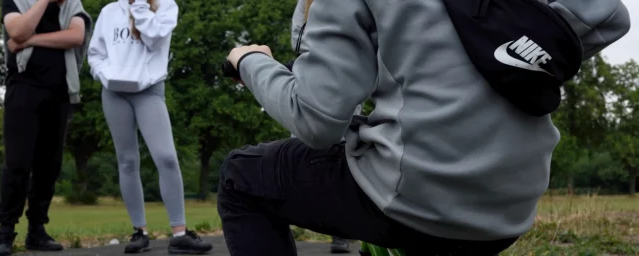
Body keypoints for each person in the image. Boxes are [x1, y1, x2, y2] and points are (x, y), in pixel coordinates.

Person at [218, 0, 631, 255]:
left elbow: (316, 121)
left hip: (421, 200)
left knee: (243, 176)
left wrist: (249, 60)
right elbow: (611, 15)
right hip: (512, 205)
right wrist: (524, 57)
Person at [87, 0, 213, 254]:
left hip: (149, 90)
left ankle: (179, 234)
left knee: (166, 158)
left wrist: (141, 8)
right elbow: (95, 53)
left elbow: (154, 37)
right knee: (127, 161)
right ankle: (139, 232)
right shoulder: (109, 11)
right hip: (114, 92)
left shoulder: (166, 6)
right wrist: (104, 74)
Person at [0, 0, 92, 255]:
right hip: (23, 88)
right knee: (17, 162)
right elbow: (16, 31)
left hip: (60, 92)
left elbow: (76, 36)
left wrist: (31, 41)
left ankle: (37, 230)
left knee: (49, 165)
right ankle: (5, 231)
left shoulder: (72, 5)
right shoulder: (17, 1)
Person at [289, 0, 354, 253]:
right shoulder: (303, 4)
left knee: (343, 157)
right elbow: (297, 39)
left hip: (347, 80)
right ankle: (293, 216)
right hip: (312, 78)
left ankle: (339, 232)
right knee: (299, 149)